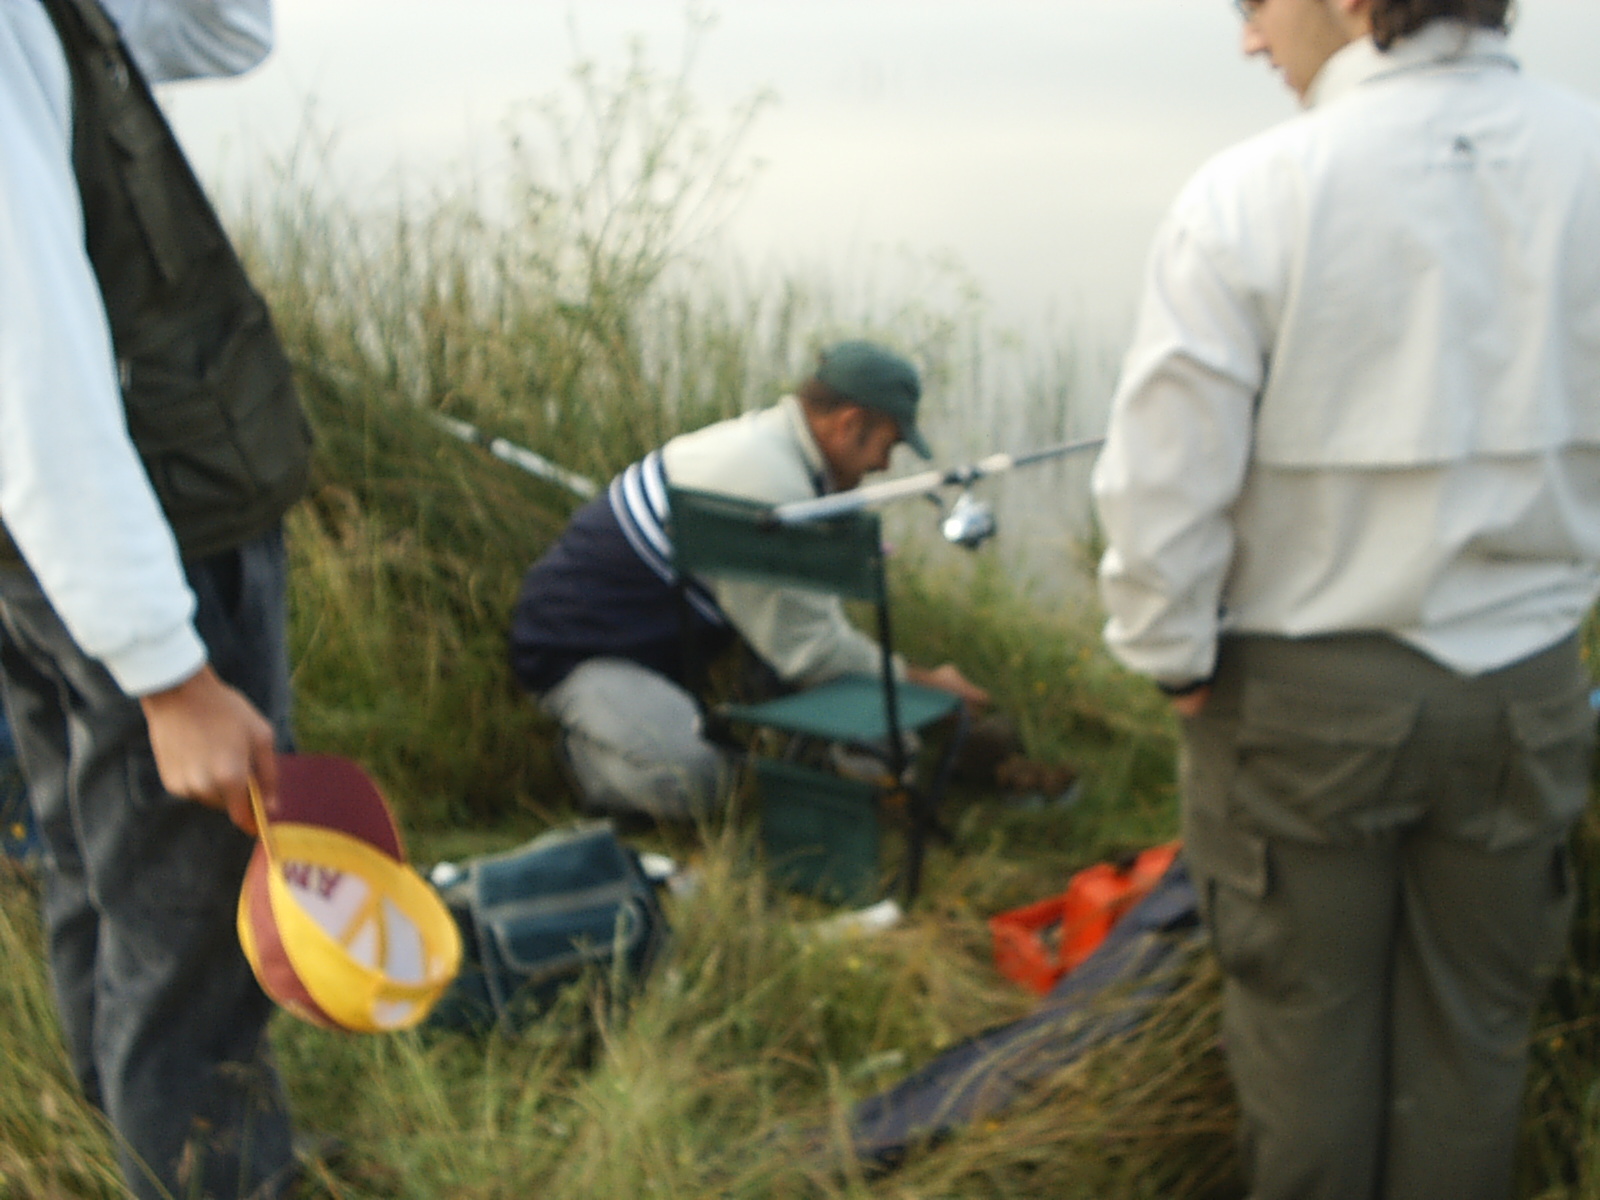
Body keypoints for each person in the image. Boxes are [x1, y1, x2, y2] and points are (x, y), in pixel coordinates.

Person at [1090, 2, 1600, 1197]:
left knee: (1303, 1042)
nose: (1248, 40)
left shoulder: (1252, 192)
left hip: (1299, 704)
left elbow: (1163, 477)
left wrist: (1171, 652)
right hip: (1524, 693)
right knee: (1472, 1041)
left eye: (1255, 5)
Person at [0, 1, 313, 1197]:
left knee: (96, 872)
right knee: (197, 942)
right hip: (139, 541)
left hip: (61, 547)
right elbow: (28, 360)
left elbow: (223, 32)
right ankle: (203, 1173)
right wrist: (169, 675)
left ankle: (132, 1142)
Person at [510, 340, 989, 821]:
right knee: (697, 781)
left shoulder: (779, 448)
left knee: (866, 722)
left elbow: (808, 632)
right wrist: (925, 684)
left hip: (666, 641)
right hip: (580, 648)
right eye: (889, 445)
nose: (884, 466)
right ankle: (582, 756)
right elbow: (811, 653)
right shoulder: (772, 485)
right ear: (849, 423)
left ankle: (698, 730)